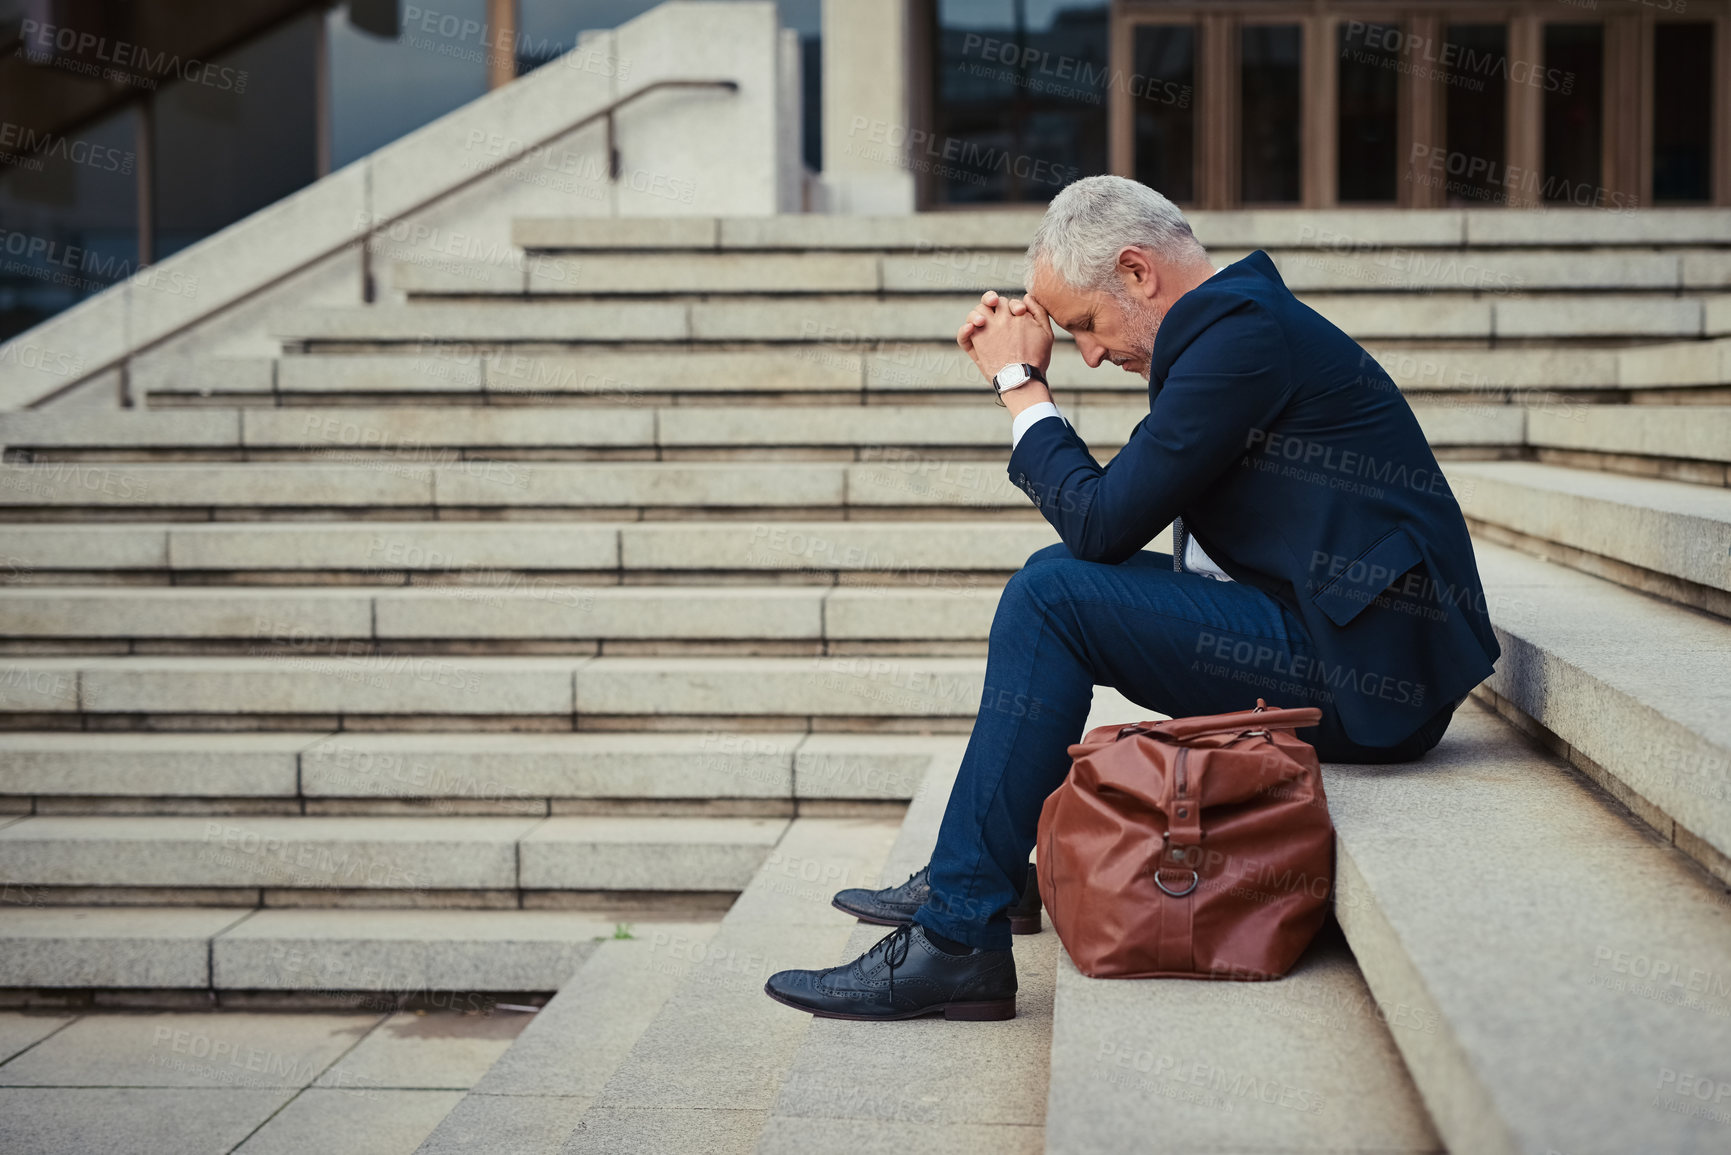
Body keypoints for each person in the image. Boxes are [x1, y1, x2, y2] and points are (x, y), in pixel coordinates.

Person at [763, 175, 1499, 1022]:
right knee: (1052, 588)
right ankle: (982, 883)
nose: (1086, 353)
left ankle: (960, 933)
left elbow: (1102, 522)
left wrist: (1019, 386)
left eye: (1083, 323)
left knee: (1052, 593)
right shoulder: (1230, 328)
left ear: (1138, 273)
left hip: (1366, 676)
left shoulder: (1240, 339)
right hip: (1324, 632)